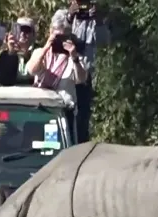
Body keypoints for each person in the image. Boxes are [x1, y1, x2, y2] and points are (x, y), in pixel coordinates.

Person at [26, 10, 87, 139]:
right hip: (39, 112)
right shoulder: (39, 53)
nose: (60, 41)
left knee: (58, 153)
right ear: (50, 31)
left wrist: (74, 57)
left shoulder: (73, 58)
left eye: (64, 36)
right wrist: (48, 46)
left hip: (62, 115)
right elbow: (32, 69)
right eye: (57, 36)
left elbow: (81, 79)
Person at [66, 0, 110, 143]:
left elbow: (105, 42)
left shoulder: (95, 19)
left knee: (82, 121)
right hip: (65, 75)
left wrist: (99, 22)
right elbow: (56, 34)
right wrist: (69, 17)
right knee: (65, 116)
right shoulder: (62, 15)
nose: (82, 6)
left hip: (84, 76)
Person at [0, 17, 37, 86]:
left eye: (26, 30)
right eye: (19, 29)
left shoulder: (39, 53)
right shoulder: (3, 54)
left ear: (34, 35)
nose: (22, 33)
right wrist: (11, 53)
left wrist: (26, 55)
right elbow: (4, 79)